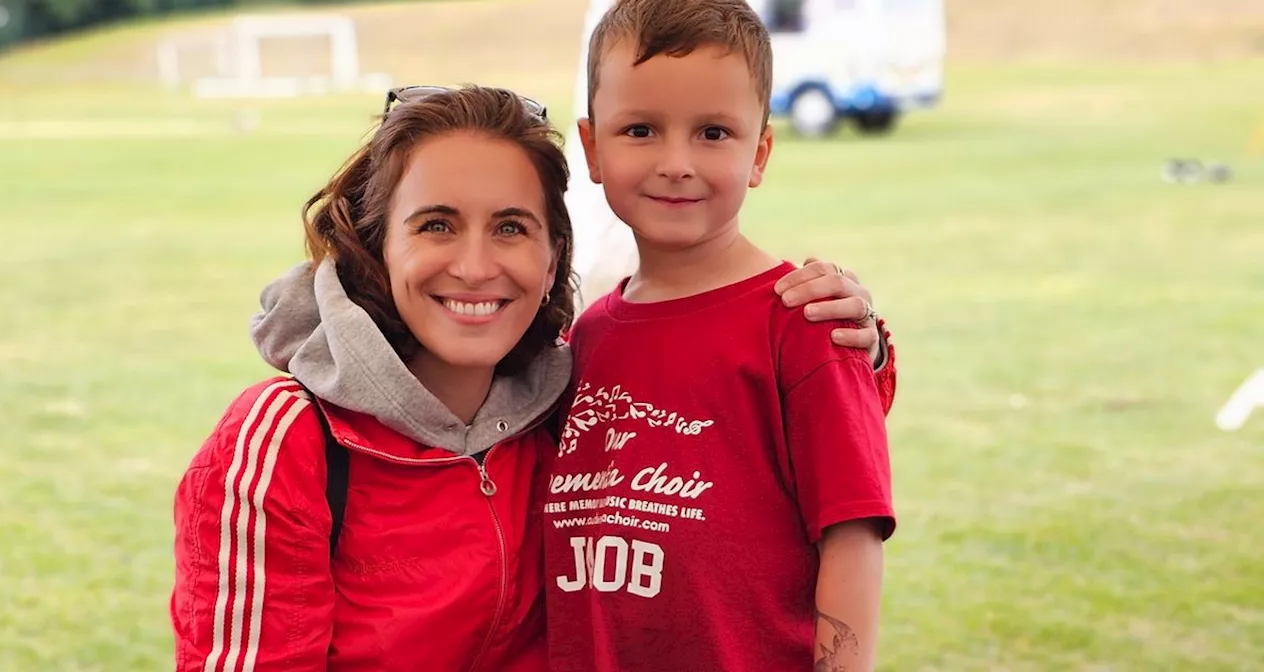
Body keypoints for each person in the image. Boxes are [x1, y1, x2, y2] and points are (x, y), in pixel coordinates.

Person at [170, 84, 893, 671]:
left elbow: (729, 404)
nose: (477, 266)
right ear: (375, 246)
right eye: (437, 225)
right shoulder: (287, 442)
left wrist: (858, 339)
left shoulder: (566, 405)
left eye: (512, 227)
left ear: (552, 260)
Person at [542, 1, 893, 671]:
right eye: (640, 129)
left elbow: (853, 536)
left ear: (759, 153)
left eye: (713, 133)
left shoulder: (808, 320)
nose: (677, 162)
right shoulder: (585, 338)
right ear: (591, 148)